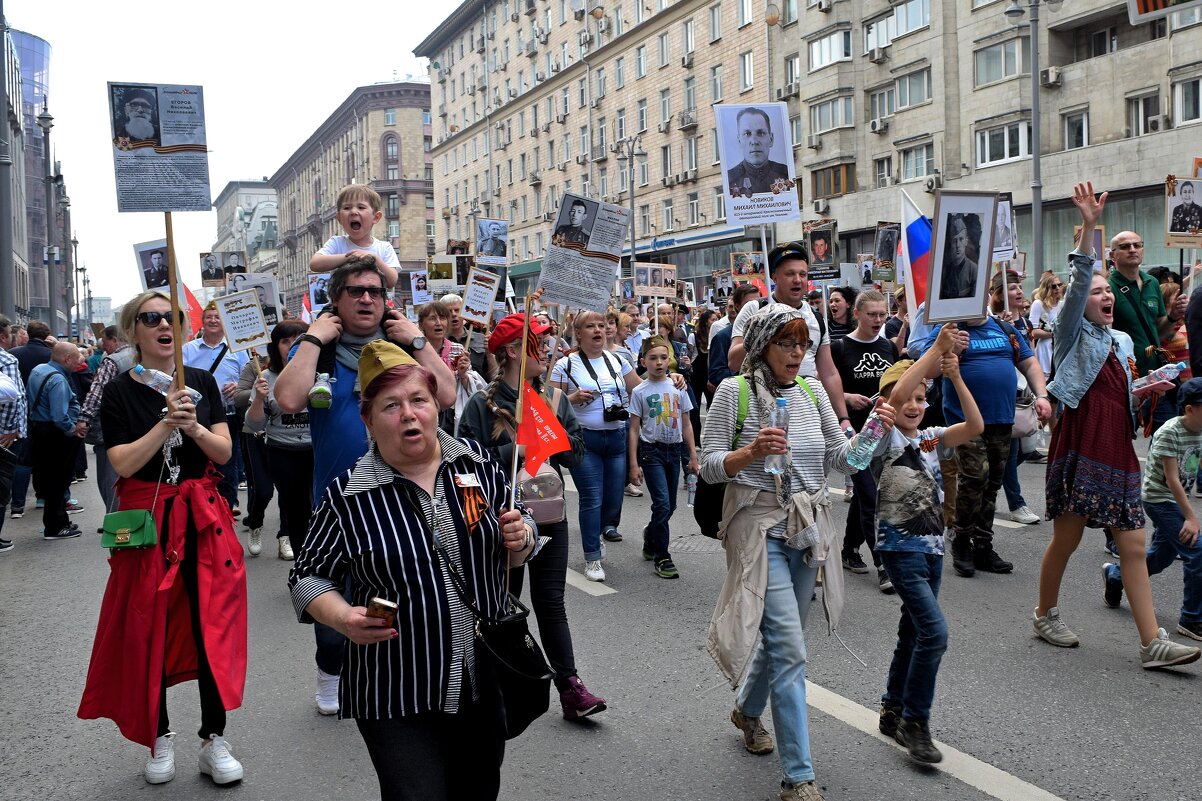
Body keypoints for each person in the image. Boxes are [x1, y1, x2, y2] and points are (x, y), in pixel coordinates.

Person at [289, 340, 537, 801]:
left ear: (434, 407)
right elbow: (306, 578)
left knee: (478, 793)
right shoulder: (347, 497)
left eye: (418, 400)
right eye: (391, 405)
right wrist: (343, 617)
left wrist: (520, 538)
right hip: (394, 689)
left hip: (482, 678)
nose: (408, 414)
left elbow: (516, 547)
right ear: (368, 420)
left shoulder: (477, 467)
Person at [701, 303, 893, 801]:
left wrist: (874, 429)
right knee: (790, 649)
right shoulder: (733, 392)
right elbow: (708, 465)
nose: (796, 353)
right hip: (758, 525)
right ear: (764, 344)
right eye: (786, 343)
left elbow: (844, 460)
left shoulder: (812, 393)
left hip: (808, 527)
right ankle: (798, 776)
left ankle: (747, 709)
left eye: (803, 344)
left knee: (785, 640)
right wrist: (750, 453)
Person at [78, 290, 248, 786]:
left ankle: (214, 738)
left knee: (208, 623)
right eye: (152, 318)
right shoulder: (118, 391)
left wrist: (192, 426)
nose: (164, 325)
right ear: (135, 331)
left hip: (200, 519)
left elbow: (221, 453)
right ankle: (159, 736)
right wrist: (163, 422)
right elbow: (122, 463)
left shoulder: (200, 382)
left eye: (172, 316)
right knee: (145, 625)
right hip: (145, 520)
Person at [275, 257, 456, 714]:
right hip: (339, 502)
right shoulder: (321, 350)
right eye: (354, 291)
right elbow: (289, 398)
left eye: (374, 291)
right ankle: (330, 668)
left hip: (407, 496)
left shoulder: (403, 348)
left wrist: (415, 339)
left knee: (400, 590)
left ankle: (404, 669)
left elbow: (448, 394)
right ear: (335, 300)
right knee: (332, 590)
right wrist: (315, 336)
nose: (366, 298)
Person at [1034, 181, 1201, 669]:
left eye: (1110, 293)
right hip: (1081, 442)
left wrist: (1145, 388)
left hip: (1117, 444)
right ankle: (1044, 613)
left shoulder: (1124, 342)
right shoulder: (1069, 331)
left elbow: (1118, 392)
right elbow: (1082, 277)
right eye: (1099, 293)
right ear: (1081, 302)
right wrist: (1088, 227)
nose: (1105, 297)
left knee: (1133, 540)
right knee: (1066, 538)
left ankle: (1152, 643)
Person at [458, 313, 608, 721]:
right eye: (536, 343)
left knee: (551, 603)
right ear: (512, 352)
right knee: (502, 602)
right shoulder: (479, 404)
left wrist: (546, 440)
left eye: (544, 342)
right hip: (501, 520)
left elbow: (577, 453)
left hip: (548, 514)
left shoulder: (554, 399)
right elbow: (464, 463)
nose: (545, 350)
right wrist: (516, 451)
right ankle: (496, 681)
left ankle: (571, 688)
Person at [873, 327, 983, 764]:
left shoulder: (930, 439)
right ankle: (915, 721)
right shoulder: (884, 437)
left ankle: (892, 707)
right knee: (935, 632)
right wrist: (935, 351)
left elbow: (974, 426)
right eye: (908, 399)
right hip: (899, 550)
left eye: (922, 399)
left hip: (933, 549)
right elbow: (897, 395)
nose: (915, 406)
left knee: (913, 631)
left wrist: (954, 376)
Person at [910, 275, 1052, 577]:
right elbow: (929, 370)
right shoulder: (947, 331)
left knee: (992, 484)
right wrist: (951, 350)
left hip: (1002, 420)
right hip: (965, 422)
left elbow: (1028, 363)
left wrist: (1041, 394)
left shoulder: (1003, 328)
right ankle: (962, 540)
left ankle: (983, 545)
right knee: (974, 478)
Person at [1103, 377, 1202, 644]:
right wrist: (1191, 517)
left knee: (1162, 557)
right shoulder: (1170, 431)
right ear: (1190, 409)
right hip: (1159, 500)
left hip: (1175, 499)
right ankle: (1191, 617)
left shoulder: (1200, 430)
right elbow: (1171, 480)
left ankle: (1115, 575)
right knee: (1197, 551)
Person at [549, 311, 641, 580]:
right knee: (592, 498)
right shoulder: (565, 365)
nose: (598, 331)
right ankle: (592, 558)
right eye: (591, 326)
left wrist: (671, 380)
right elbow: (547, 404)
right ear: (578, 333)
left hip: (616, 438)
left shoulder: (617, 360)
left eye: (602, 325)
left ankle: (597, 534)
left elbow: (641, 388)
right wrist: (571, 398)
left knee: (612, 502)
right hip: (583, 440)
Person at [728, 242, 855, 436]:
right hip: (761, 406)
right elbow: (733, 361)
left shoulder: (816, 317)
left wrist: (843, 419)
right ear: (775, 277)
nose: (797, 280)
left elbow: (829, 372)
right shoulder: (755, 309)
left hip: (805, 408)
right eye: (790, 274)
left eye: (802, 274)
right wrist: (762, 332)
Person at [831, 290, 898, 590]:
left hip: (884, 435)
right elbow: (822, 386)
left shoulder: (888, 347)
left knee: (864, 496)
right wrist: (845, 398)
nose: (878, 320)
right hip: (852, 435)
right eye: (872, 314)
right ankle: (883, 564)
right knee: (872, 496)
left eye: (882, 314)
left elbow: (897, 385)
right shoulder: (839, 347)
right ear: (856, 314)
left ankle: (848, 549)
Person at [628, 336, 699, 579]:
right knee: (662, 504)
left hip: (674, 449)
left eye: (663, 357)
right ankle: (663, 556)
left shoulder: (678, 388)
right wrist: (634, 464)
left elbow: (687, 424)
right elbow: (634, 429)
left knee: (670, 506)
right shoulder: (639, 391)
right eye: (653, 358)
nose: (659, 363)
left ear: (670, 360)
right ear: (643, 361)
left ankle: (651, 534)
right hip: (652, 452)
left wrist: (692, 456)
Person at [244, 322, 312, 561]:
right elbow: (254, 425)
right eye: (286, 341)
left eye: (300, 340)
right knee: (296, 511)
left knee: (321, 509)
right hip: (283, 453)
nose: (293, 346)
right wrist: (258, 399)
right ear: (276, 347)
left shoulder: (322, 372)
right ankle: (304, 565)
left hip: (318, 450)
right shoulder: (266, 379)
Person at [182, 304, 250, 517]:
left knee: (226, 469)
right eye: (209, 317)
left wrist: (237, 385)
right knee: (196, 467)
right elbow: (177, 377)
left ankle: (225, 514)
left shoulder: (237, 349)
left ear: (224, 323)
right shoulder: (187, 350)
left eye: (217, 317)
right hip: (196, 417)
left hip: (226, 416)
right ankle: (200, 513)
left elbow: (249, 379)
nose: (213, 320)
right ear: (202, 321)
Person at [988, 271, 1044, 526]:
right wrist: (1003, 325)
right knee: (1010, 450)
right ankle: (1017, 503)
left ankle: (993, 478)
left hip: (1023, 392)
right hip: (1000, 392)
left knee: (1026, 448)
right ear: (999, 294)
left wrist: (1036, 388)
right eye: (1012, 288)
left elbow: (1029, 356)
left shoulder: (1024, 322)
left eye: (1020, 286)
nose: (1019, 291)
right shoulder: (993, 321)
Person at [26, 342, 86, 540]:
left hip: (40, 430)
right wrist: (73, 430)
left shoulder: (39, 370)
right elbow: (59, 416)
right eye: (77, 358)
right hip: (54, 434)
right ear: (67, 359)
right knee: (58, 481)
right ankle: (55, 526)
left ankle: (60, 522)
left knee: (51, 479)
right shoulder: (58, 380)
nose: (80, 362)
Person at [78, 326, 135, 517]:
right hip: (143, 428)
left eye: (105, 342)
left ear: (115, 340)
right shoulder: (141, 354)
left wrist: (84, 419)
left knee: (110, 477)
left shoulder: (112, 361)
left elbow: (97, 393)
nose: (103, 346)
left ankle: (116, 520)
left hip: (113, 429)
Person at [310, 184, 401, 288]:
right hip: (344, 303)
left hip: (372, 302)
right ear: (339, 217)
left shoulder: (384, 247)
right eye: (347, 207)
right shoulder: (337, 243)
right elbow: (315, 264)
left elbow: (392, 281)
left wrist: (374, 259)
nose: (353, 212)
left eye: (361, 207)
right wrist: (350, 257)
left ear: (376, 217)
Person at [0, 316, 25, 553]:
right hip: (4, 434)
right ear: (3, 336)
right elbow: (12, 397)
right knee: (1, 484)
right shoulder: (6, 358)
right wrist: (9, 430)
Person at [725, 107, 790, 196]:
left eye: (761, 133)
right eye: (747, 134)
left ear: (771, 139)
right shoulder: (729, 179)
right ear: (739, 141)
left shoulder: (787, 174)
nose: (754, 141)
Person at [1028, 271, 1063, 381]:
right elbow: (1032, 331)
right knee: (1047, 381)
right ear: (1046, 288)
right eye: (1053, 286)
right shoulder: (1038, 304)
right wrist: (1053, 333)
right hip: (1046, 348)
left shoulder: (1062, 304)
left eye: (1059, 285)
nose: (1057, 288)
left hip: (1060, 346)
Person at [938, 216, 978, 300]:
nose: (958, 245)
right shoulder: (944, 271)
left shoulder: (973, 270)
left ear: (966, 241)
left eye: (961, 239)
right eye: (954, 240)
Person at [884, 286, 909, 357]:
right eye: (907, 300)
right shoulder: (891, 324)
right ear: (898, 301)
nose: (911, 302)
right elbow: (897, 350)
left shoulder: (917, 320)